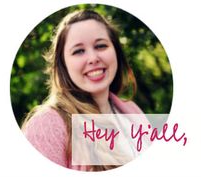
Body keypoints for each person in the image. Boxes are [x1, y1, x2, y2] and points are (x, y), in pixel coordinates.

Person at [22, 9, 150, 171]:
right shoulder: (46, 125)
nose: (93, 58)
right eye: (79, 51)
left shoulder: (133, 111)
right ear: (63, 65)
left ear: (116, 52)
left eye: (101, 46)